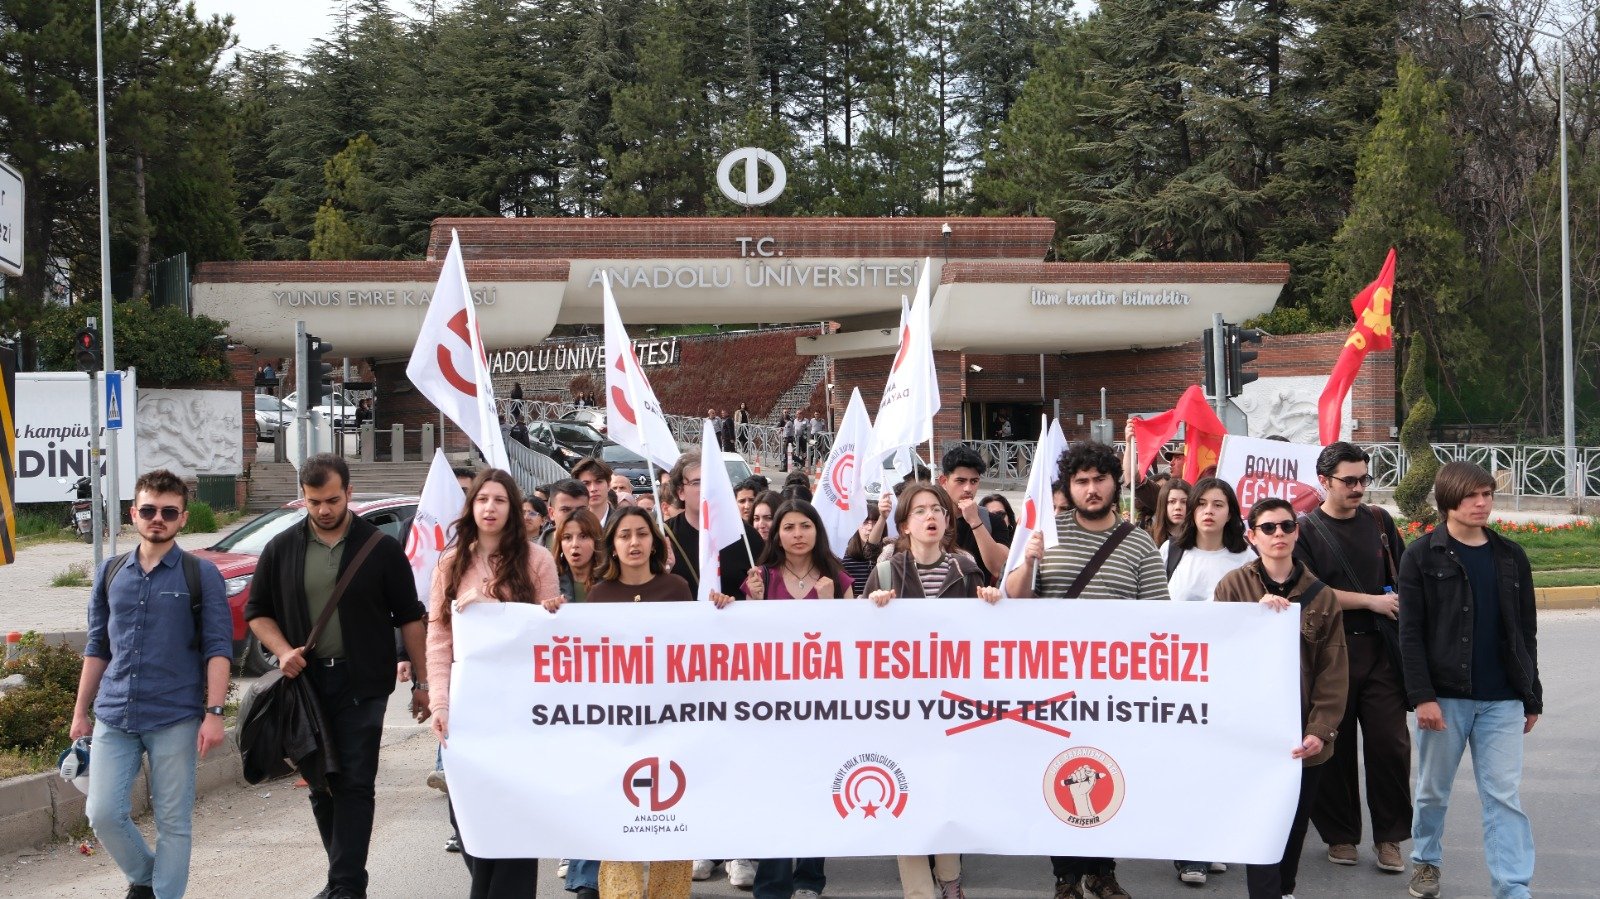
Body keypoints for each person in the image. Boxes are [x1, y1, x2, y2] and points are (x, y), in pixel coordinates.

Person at [245, 454, 430, 899]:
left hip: (362, 684)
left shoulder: (381, 548)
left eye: (331, 500)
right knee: (321, 782)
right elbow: (257, 613)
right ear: (303, 499)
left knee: (354, 780)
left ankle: (345, 886)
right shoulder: (282, 548)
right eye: (314, 502)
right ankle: (344, 881)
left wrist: (423, 683)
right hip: (305, 687)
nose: (324, 510)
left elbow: (410, 617)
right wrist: (283, 650)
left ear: (349, 492)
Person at [1004, 441, 1165, 899]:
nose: (1091, 489)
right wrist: (1029, 557)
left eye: (1099, 480)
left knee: (1107, 775)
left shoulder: (1138, 543)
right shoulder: (1046, 532)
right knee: (1062, 774)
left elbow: (1159, 616)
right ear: (1069, 487)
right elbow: (1016, 598)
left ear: (1115, 483)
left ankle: (1103, 870)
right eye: (1081, 481)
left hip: (1116, 686)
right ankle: (1066, 877)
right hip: (1054, 682)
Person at [72, 469, 230, 899]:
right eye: (148, 510)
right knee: (102, 812)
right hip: (115, 713)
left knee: (173, 822)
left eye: (168, 512)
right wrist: (80, 712)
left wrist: (214, 714)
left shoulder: (201, 575)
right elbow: (97, 647)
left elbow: (218, 648)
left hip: (175, 717)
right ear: (133, 514)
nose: (156, 518)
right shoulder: (110, 572)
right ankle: (146, 880)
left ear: (182, 518)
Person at [1398, 462, 1541, 899]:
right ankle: (1426, 862)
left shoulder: (1510, 554)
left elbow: (1526, 629)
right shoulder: (1421, 555)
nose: (1482, 503)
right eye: (1472, 496)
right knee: (1432, 792)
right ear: (1448, 501)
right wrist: (1422, 697)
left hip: (1502, 700)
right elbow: (1410, 633)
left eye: (1487, 494)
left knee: (1503, 797)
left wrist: (1531, 696)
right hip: (1445, 698)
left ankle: (1512, 886)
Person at [426, 469, 561, 898]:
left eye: (500, 500)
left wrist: (494, 608)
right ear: (471, 507)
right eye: (482, 499)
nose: (490, 507)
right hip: (470, 709)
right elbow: (438, 639)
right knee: (469, 822)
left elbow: (548, 635)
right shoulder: (450, 563)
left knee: (515, 823)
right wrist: (441, 703)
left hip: (524, 710)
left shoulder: (538, 560)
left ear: (513, 509)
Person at [864, 482, 999, 899]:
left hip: (952, 710)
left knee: (945, 798)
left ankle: (949, 877)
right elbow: (858, 644)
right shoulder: (886, 572)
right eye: (920, 510)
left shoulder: (967, 570)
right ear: (904, 523)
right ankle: (919, 892)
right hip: (900, 712)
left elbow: (987, 641)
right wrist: (874, 609)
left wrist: (993, 603)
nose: (930, 516)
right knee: (904, 800)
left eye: (937, 509)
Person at [1215, 497, 1348, 899]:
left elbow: (1334, 669)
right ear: (1251, 536)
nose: (1279, 535)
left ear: (1297, 531)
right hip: (1252, 731)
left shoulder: (1322, 596)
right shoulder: (1232, 586)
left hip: (1302, 732)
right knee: (1262, 820)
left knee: (1295, 820)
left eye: (1287, 526)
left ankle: (1284, 889)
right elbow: (1220, 655)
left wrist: (1320, 730)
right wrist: (1253, 618)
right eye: (1268, 528)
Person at [1292, 442, 1410, 875]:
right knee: (1332, 747)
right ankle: (1341, 835)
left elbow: (1403, 574)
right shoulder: (1303, 531)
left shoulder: (1380, 521)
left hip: (1381, 652)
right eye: (1350, 480)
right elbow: (1308, 592)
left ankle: (1390, 838)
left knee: (1390, 746)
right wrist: (1371, 602)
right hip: (1330, 654)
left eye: (1364, 478)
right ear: (1324, 481)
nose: (1359, 487)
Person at [662, 453, 760, 597]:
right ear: (680, 492)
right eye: (697, 482)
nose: (707, 488)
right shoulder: (663, 536)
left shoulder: (745, 535)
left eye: (711, 481)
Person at [1161, 477, 1252, 604]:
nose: (1209, 511)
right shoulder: (1170, 550)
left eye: (1218, 505)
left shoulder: (1246, 557)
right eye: (1202, 504)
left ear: (1229, 514)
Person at [743, 499, 855, 600]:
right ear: (778, 538)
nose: (798, 534)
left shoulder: (838, 579)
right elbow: (750, 621)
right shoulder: (760, 578)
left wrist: (829, 603)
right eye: (789, 528)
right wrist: (757, 601)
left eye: (805, 526)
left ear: (817, 532)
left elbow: (849, 622)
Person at [938, 445, 1009, 583]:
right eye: (960, 481)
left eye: (974, 481)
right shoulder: (932, 520)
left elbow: (1000, 568)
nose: (968, 488)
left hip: (981, 599)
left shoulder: (993, 521)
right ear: (944, 481)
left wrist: (975, 522)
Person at [555, 509, 606, 603]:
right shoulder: (551, 581)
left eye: (583, 536)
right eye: (567, 537)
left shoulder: (612, 580)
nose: (575, 544)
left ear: (596, 541)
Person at [840, 505, 882, 588]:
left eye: (875, 523)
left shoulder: (889, 555)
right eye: (865, 522)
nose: (870, 528)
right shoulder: (842, 557)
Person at [545, 479, 590, 554]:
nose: (574, 516)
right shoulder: (532, 553)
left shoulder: (603, 550)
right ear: (552, 513)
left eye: (581, 510)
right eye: (566, 510)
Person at [571, 457, 615, 528]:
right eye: (586, 483)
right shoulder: (572, 524)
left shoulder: (622, 522)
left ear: (608, 484)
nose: (593, 489)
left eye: (599, 482)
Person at [1149, 478, 1191, 548]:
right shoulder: (1149, 538)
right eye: (1172, 501)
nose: (1178, 507)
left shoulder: (1199, 538)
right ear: (1163, 504)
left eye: (1184, 502)